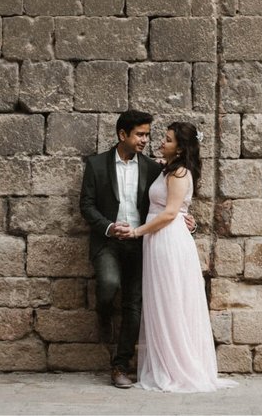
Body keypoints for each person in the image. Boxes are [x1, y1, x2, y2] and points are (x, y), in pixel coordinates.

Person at [78, 110, 195, 389]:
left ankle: (121, 366)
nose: (146, 140)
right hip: (108, 241)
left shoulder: (155, 168)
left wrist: (189, 221)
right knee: (108, 284)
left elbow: (170, 204)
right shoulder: (95, 165)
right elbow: (86, 206)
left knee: (134, 304)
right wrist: (108, 227)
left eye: (147, 134)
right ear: (123, 135)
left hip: (142, 243)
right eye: (140, 134)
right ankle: (104, 311)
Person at [123, 122, 236, 393]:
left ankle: (176, 366)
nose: (161, 142)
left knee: (170, 300)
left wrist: (137, 232)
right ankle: (167, 362)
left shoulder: (180, 172)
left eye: (168, 139)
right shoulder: (169, 168)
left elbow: (171, 213)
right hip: (159, 239)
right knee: (162, 300)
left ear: (181, 147)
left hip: (167, 239)